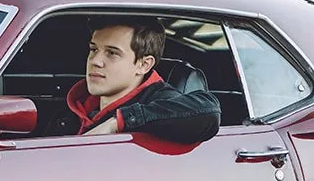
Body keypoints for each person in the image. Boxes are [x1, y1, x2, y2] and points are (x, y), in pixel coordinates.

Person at [65, 20, 221, 143]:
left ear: (144, 65)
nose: (95, 61)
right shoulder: (75, 102)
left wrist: (118, 122)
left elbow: (208, 112)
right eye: (94, 50)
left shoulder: (159, 100)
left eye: (112, 53)